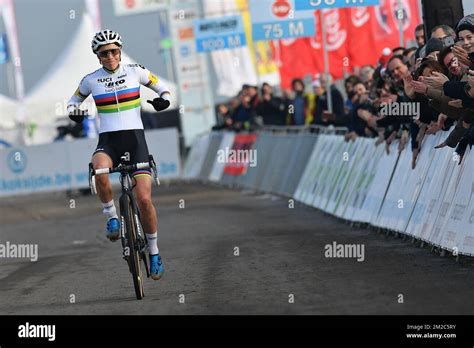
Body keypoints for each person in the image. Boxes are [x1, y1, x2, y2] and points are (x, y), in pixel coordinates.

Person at [67, 30, 171, 280]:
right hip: (109, 142)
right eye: (104, 53)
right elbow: (72, 102)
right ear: (98, 56)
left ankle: (154, 252)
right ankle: (112, 217)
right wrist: (75, 112)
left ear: (120, 51)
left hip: (136, 142)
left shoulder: (136, 71)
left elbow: (163, 88)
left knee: (144, 200)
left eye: (114, 51)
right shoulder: (90, 80)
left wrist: (163, 100)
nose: (110, 56)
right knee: (99, 169)